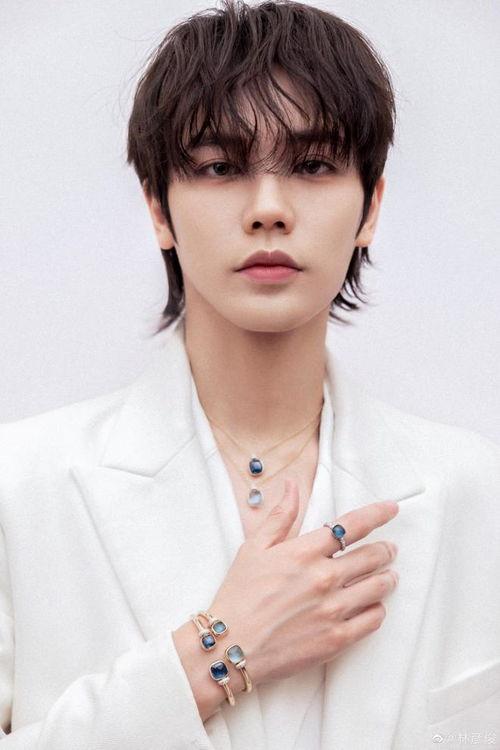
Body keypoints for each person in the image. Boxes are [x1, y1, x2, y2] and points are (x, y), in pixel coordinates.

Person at [0, 1, 499, 748]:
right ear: (158, 209)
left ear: (370, 207)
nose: (269, 209)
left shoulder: (480, 495)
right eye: (220, 167)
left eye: (314, 165)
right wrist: (216, 654)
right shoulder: (19, 487)